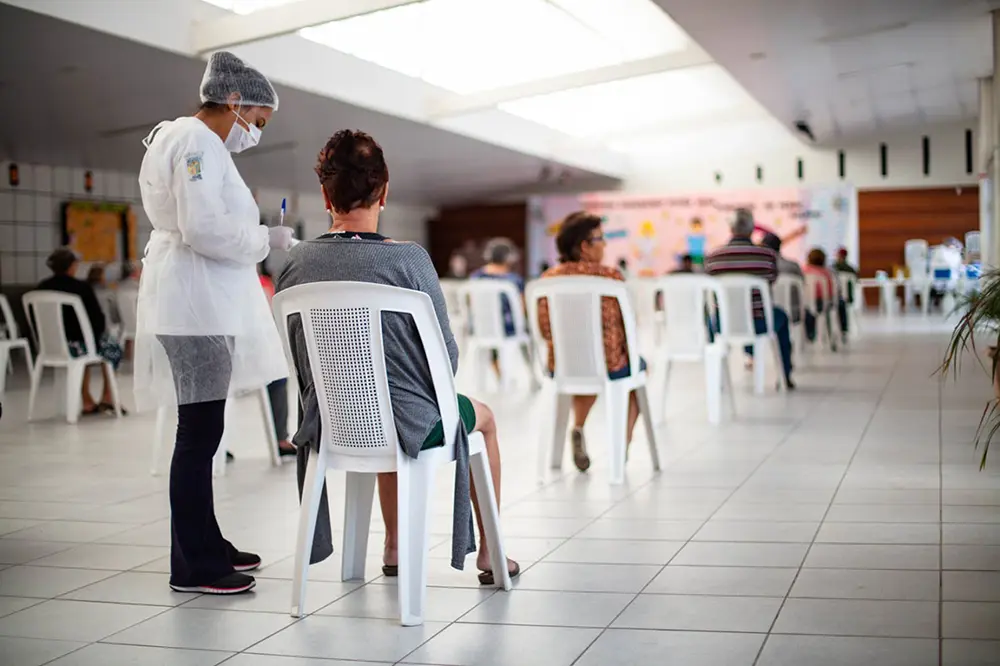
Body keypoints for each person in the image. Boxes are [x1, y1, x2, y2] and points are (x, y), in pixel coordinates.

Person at [276, 129, 518, 584]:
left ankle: (393, 545)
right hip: (402, 421)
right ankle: (490, 552)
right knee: (478, 416)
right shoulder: (409, 261)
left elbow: (297, 355)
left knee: (384, 402)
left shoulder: (295, 263)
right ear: (383, 191)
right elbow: (444, 361)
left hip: (328, 423)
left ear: (325, 195)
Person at [135, 51, 296, 595]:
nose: (254, 133)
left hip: (196, 298)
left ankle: (208, 540)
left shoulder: (185, 139)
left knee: (205, 429)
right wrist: (264, 240)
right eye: (258, 121)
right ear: (235, 101)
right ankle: (193, 565)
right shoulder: (197, 142)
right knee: (199, 432)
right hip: (193, 302)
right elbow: (203, 228)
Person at [537, 212, 645, 472]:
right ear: (585, 245)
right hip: (608, 363)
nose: (605, 244)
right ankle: (623, 445)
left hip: (561, 365)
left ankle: (578, 427)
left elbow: (544, 329)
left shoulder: (548, 280)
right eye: (601, 239)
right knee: (636, 369)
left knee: (582, 366)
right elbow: (628, 327)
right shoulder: (611, 278)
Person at [704, 209, 795, 389]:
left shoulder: (713, 257)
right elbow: (772, 280)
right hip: (759, 323)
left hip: (723, 323)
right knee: (782, 316)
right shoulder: (766, 256)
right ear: (752, 229)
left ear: (730, 228)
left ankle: (716, 377)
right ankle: (785, 375)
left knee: (710, 319)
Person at [38, 248, 124, 415]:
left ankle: (86, 400)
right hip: (78, 346)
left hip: (51, 346)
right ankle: (107, 397)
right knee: (112, 349)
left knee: (84, 348)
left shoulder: (42, 288)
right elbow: (97, 320)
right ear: (72, 266)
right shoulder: (81, 288)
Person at [258, 263, 296, 458]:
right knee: (277, 377)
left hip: (254, 344)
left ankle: (281, 438)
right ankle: (280, 439)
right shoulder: (259, 284)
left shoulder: (262, 283)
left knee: (278, 376)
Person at [803, 248, 837, 347]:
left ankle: (809, 335)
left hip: (805, 303)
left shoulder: (804, 271)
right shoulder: (827, 273)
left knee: (807, 311)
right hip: (822, 303)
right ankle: (828, 334)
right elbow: (831, 291)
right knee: (823, 313)